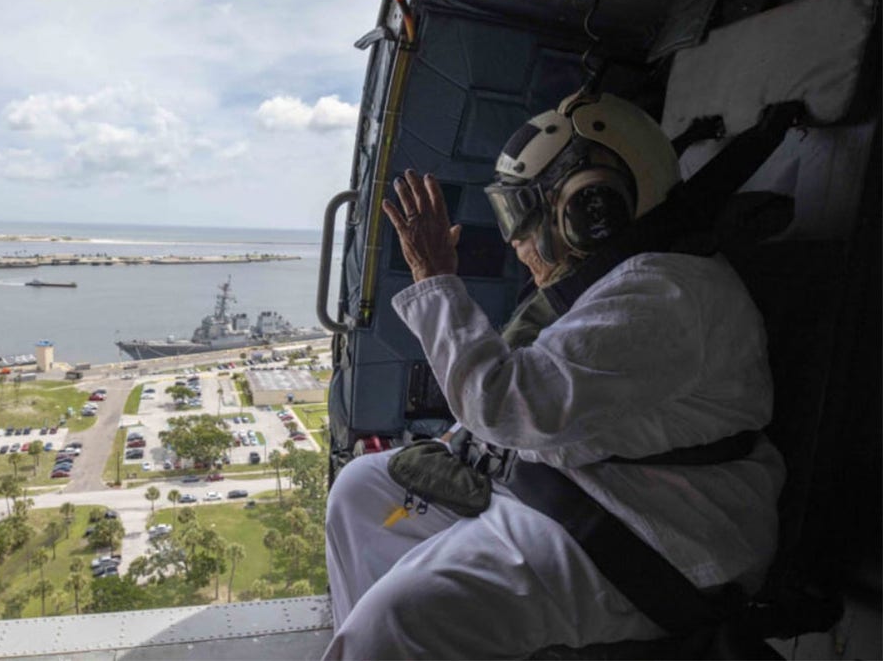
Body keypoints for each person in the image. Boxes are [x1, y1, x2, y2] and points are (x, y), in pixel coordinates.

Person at [322, 93, 786, 659]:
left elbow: (508, 407)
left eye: (523, 216)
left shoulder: (664, 293)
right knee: (360, 490)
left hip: (655, 535)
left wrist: (434, 275)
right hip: (579, 485)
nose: (516, 242)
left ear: (592, 208)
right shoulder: (619, 283)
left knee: (393, 621)